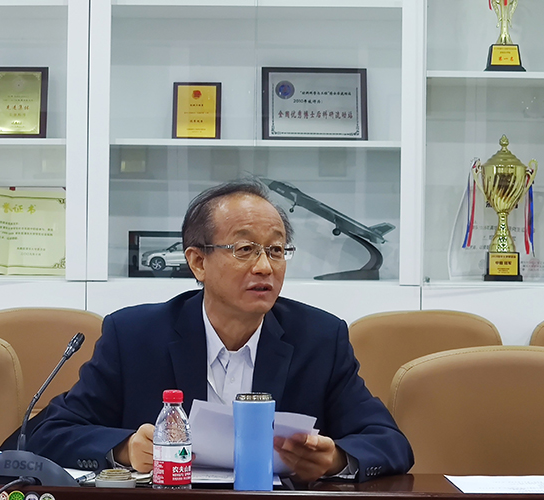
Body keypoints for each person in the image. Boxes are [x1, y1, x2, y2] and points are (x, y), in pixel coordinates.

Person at [26, 179, 413, 482]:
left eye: (276, 250)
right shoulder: (134, 336)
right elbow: (48, 433)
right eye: (245, 250)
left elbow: (389, 442)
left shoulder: (319, 338)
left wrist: (336, 459)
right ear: (198, 262)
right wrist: (125, 448)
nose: (265, 267)